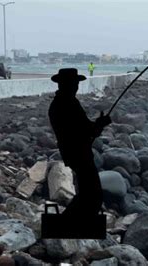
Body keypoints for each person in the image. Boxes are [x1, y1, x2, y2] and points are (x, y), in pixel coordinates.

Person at [48, 68, 111, 216]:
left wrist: (98, 125)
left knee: (88, 192)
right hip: (78, 153)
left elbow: (84, 128)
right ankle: (67, 225)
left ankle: (68, 224)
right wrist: (100, 124)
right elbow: (85, 129)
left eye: (76, 84)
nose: (76, 87)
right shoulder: (67, 104)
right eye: (73, 83)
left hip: (74, 152)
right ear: (64, 85)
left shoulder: (62, 103)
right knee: (92, 194)